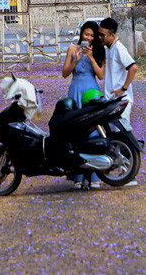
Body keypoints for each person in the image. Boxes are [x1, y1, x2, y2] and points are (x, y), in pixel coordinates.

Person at [62, 20, 105, 189]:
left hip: (91, 91)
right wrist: (76, 60)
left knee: (94, 131)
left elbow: (101, 75)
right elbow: (65, 73)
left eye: (92, 35)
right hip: (75, 89)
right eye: (86, 34)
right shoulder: (73, 49)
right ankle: (78, 175)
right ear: (81, 34)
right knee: (75, 132)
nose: (88, 37)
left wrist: (91, 58)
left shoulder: (99, 51)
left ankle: (94, 175)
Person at [98, 16, 138, 186]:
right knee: (114, 135)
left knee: (123, 135)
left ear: (112, 35)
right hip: (112, 100)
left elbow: (133, 67)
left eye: (103, 35)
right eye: (99, 34)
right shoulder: (108, 48)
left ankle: (130, 175)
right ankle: (123, 172)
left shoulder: (119, 48)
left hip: (122, 100)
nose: (100, 37)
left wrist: (124, 87)